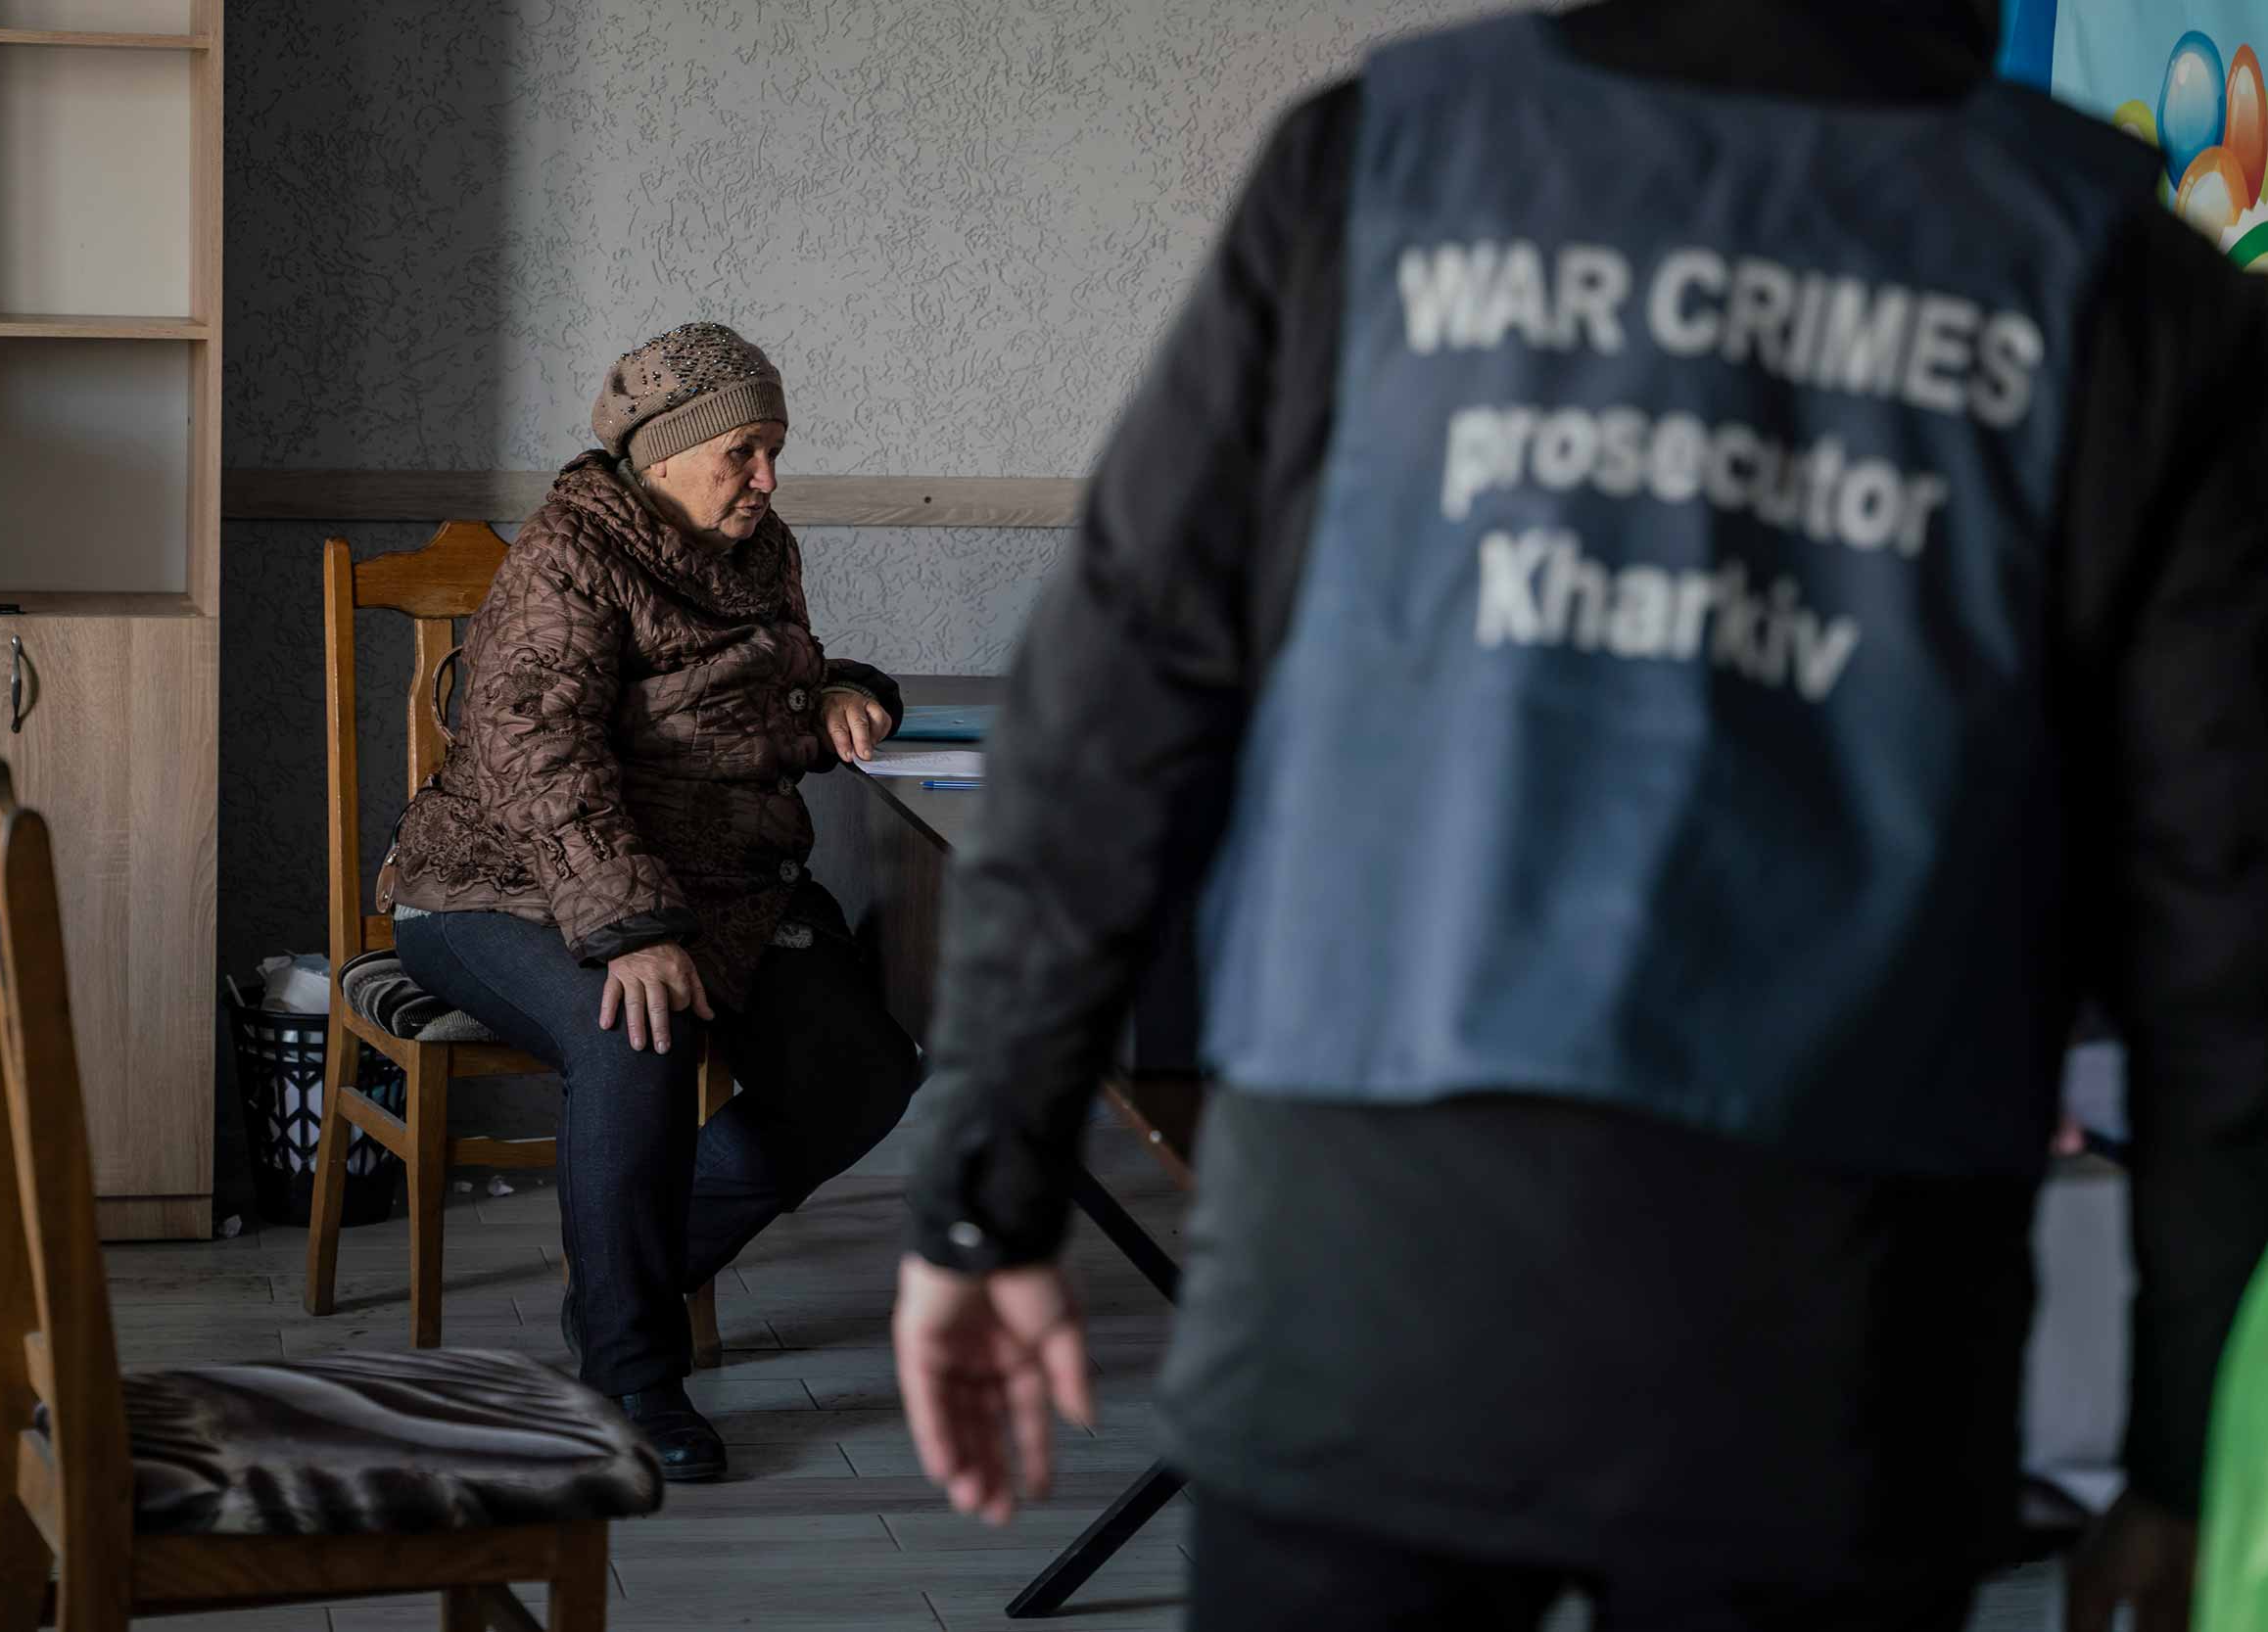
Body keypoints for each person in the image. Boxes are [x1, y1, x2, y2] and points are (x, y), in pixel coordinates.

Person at [890, 2, 2268, 1627]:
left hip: (1365, 1279)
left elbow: (1103, 718)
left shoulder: (1382, 156)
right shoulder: (2118, 261)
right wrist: (2187, 1451)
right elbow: (2221, 924)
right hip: (1843, 1321)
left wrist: (988, 1188)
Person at [387, 322, 921, 1481]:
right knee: (634, 1033)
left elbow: (765, 679)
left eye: (774, 449)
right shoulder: (569, 551)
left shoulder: (757, 545)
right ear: (666, 454)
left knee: (864, 1068)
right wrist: (631, 927)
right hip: (504, 882)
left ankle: (618, 1278)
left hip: (724, 882)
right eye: (743, 450)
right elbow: (536, 751)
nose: (767, 478)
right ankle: (630, 1369)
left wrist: (838, 686)